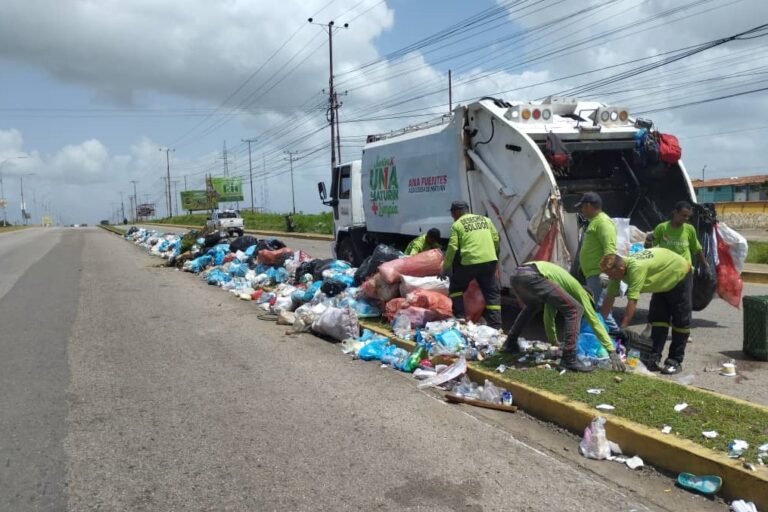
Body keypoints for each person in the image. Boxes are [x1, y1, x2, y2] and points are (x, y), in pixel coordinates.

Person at [504, 261, 626, 373]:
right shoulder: (582, 293)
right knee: (575, 309)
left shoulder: (562, 287)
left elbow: (549, 316)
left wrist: (554, 342)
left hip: (518, 275)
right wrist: (612, 351)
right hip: (534, 274)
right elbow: (594, 321)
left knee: (533, 306)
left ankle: (511, 341)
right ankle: (569, 358)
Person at [599, 248, 692, 374]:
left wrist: (624, 327)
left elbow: (632, 301)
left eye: (610, 274)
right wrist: (599, 325)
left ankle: (674, 360)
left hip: (679, 274)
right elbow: (609, 299)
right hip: (662, 280)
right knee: (658, 319)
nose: (609, 277)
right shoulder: (618, 271)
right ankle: (654, 357)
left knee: (680, 321)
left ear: (620, 269)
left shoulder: (636, 268)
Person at [440, 201, 502, 329]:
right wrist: (494, 254)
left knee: (456, 288)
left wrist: (446, 267)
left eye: (452, 213)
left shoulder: (457, 225)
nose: (452, 216)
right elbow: (496, 238)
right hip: (489, 261)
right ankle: (496, 326)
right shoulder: (486, 220)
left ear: (456, 212)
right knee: (491, 293)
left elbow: (452, 247)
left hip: (470, 262)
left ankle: (460, 317)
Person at [575, 191, 620, 334]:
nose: (581, 210)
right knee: (598, 308)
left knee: (599, 309)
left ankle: (619, 337)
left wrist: (604, 273)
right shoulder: (594, 222)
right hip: (592, 274)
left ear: (588, 205)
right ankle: (611, 340)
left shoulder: (603, 222)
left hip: (598, 274)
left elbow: (610, 249)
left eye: (582, 207)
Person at [651, 201, 709, 271]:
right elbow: (651, 248)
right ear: (675, 212)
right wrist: (648, 241)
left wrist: (706, 266)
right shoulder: (662, 228)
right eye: (684, 215)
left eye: (688, 216)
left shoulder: (689, 229)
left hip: (685, 271)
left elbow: (697, 249)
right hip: (666, 271)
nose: (686, 218)